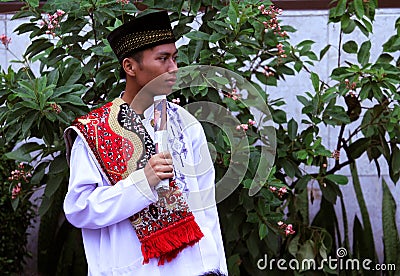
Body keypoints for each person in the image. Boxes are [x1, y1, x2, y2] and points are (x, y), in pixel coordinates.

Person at [63, 10, 227, 276]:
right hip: (133, 268)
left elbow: (207, 208)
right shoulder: (95, 131)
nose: (174, 68)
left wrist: (218, 267)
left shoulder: (186, 125)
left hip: (196, 267)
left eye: (174, 58)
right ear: (130, 67)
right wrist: (142, 182)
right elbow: (80, 209)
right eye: (163, 59)